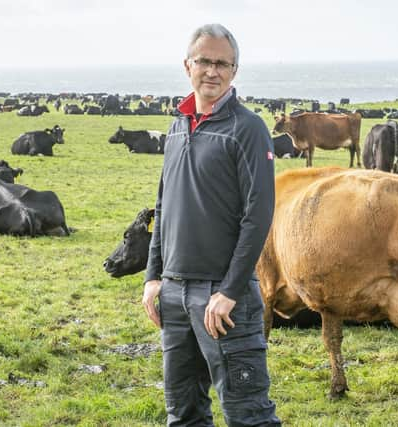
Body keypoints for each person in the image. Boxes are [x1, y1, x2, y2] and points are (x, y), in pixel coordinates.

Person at [142, 23, 281, 427]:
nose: (212, 71)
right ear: (188, 65)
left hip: (223, 299)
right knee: (182, 414)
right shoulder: (176, 127)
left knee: (249, 415)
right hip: (173, 293)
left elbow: (258, 216)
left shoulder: (248, 129)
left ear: (234, 71)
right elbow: (164, 206)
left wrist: (229, 291)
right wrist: (154, 277)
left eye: (223, 63)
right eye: (204, 61)